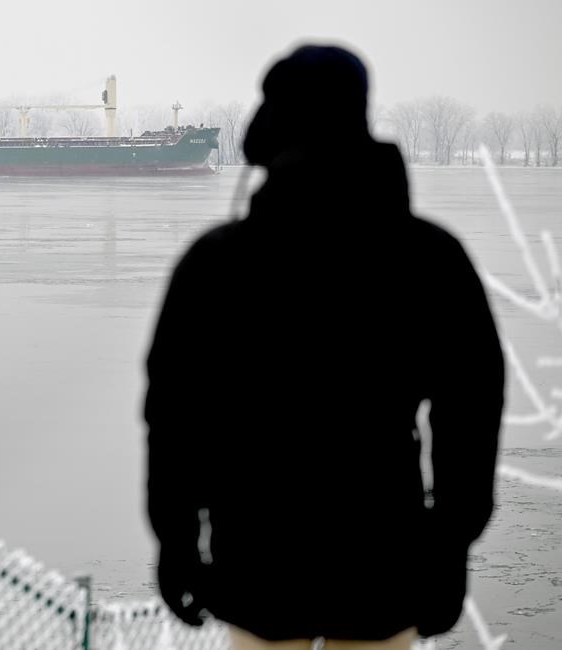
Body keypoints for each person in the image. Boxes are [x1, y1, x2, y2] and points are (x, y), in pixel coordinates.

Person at [144, 44, 504, 648]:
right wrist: (449, 548)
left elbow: (176, 416)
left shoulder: (218, 264)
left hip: (256, 561)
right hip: (382, 566)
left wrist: (177, 544)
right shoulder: (430, 258)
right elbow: (471, 412)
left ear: (267, 129)